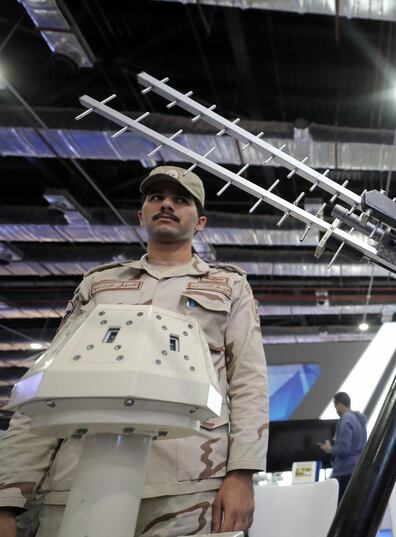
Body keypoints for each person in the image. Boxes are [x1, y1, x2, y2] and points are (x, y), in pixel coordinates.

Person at [0, 166, 269, 536]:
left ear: (200, 221)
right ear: (141, 215)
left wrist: (242, 474)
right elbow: (49, 387)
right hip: (81, 479)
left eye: (181, 199)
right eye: (156, 197)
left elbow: (248, 382)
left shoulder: (229, 286)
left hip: (187, 487)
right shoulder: (99, 285)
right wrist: (8, 498)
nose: (167, 205)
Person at [319, 392, 367, 502]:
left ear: (340, 405)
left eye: (335, 407)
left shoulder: (345, 420)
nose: (336, 410)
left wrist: (329, 449)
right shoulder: (360, 420)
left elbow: (343, 449)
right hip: (358, 469)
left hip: (344, 472)